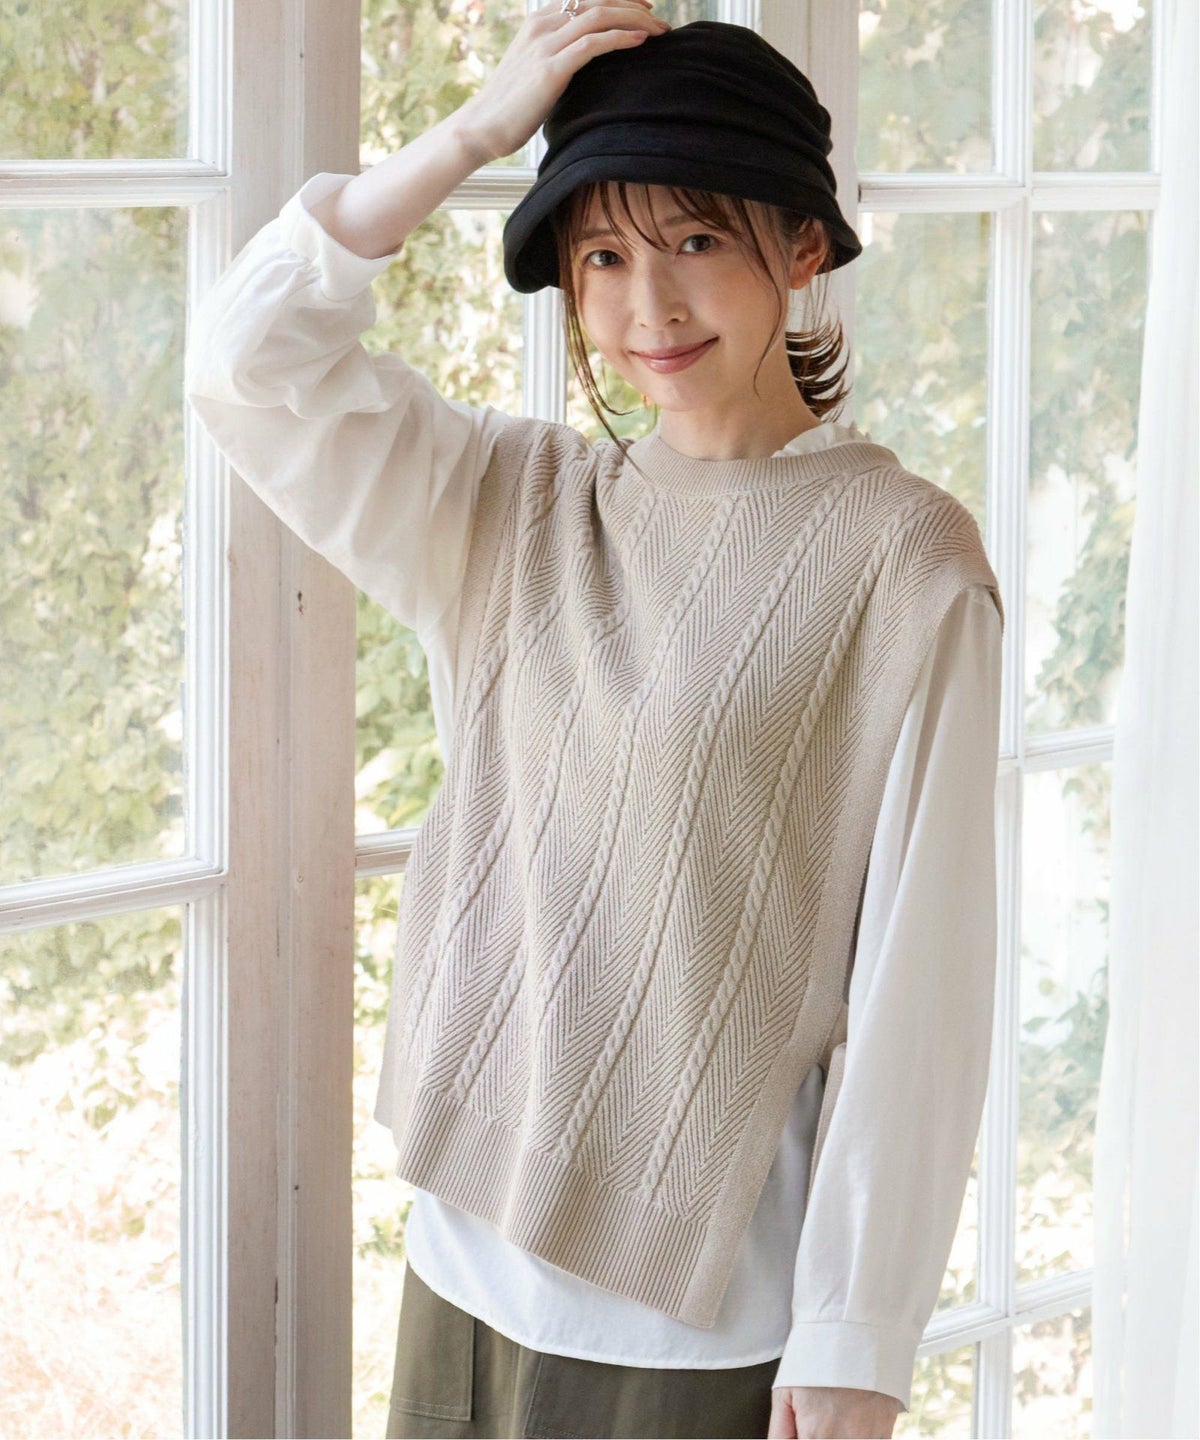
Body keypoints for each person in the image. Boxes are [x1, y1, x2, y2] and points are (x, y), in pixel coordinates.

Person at [184, 6, 1005, 1438]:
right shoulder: (516, 506)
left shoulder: (904, 558)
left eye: (695, 238)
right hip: (465, 1259)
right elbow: (247, 365)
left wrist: (860, 1337)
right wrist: (474, 135)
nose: (647, 307)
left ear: (802, 247)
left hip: (700, 1322)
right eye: (602, 256)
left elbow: (921, 985)